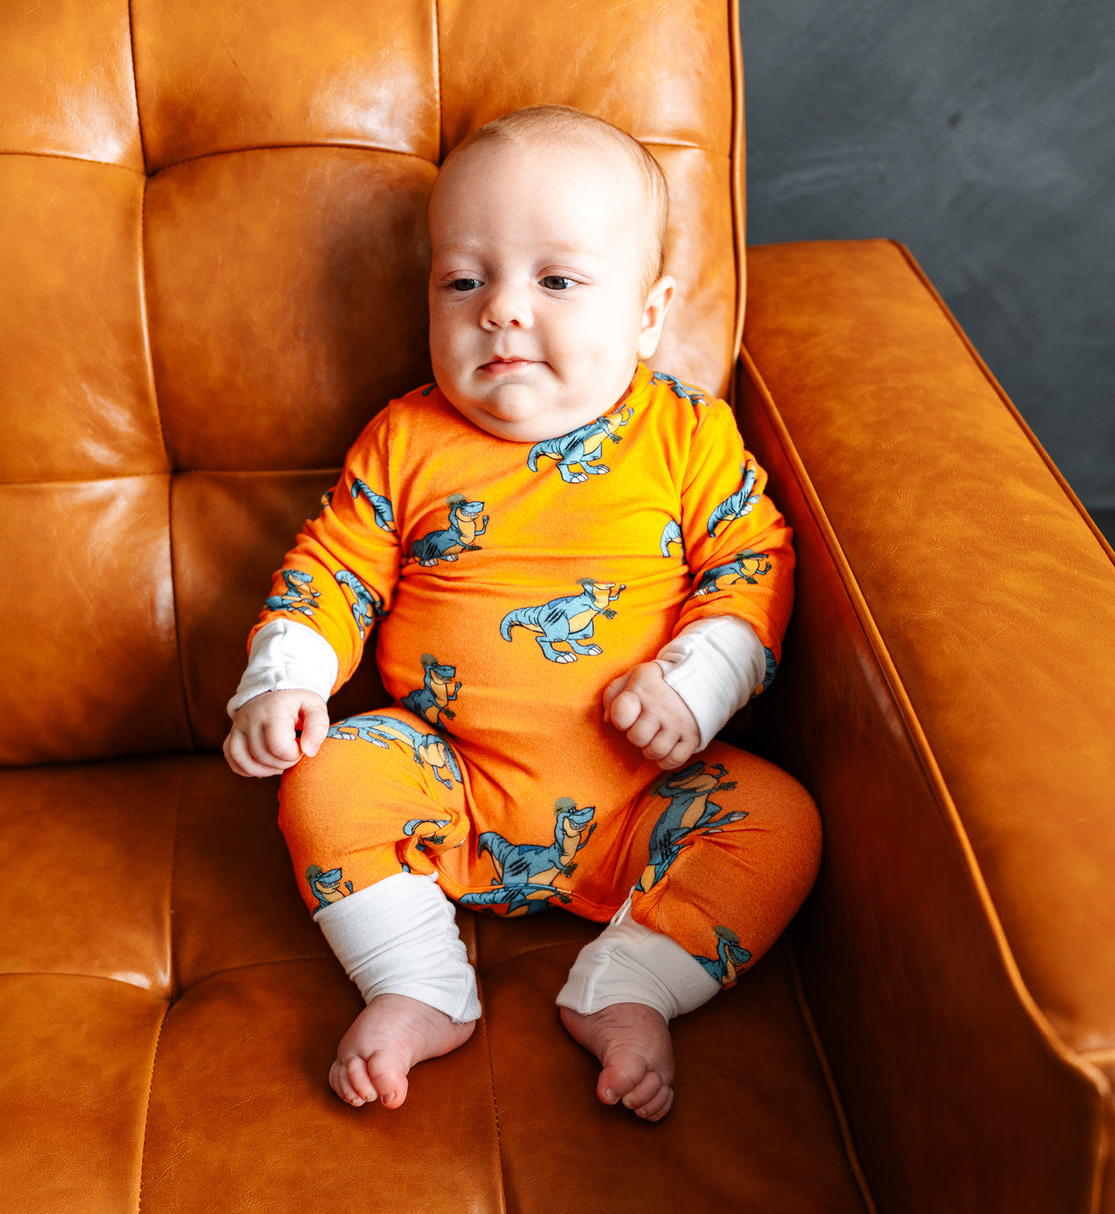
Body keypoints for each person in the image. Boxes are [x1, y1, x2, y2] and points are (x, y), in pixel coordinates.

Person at [224, 104, 820, 1122]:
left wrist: (695, 681)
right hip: (446, 777)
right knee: (324, 777)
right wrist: (284, 678)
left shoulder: (685, 439)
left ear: (644, 311)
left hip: (646, 793)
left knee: (778, 824)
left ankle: (630, 984)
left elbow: (751, 567)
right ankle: (416, 982)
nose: (499, 310)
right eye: (463, 280)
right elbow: (332, 570)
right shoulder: (406, 438)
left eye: (555, 280)